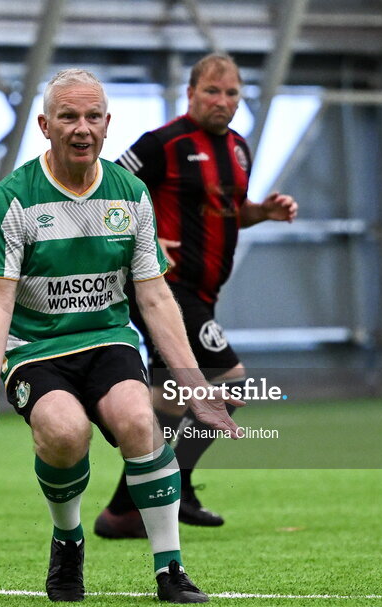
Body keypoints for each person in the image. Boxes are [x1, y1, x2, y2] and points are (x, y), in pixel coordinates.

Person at [0, 68, 242, 604]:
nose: (81, 128)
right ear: (45, 125)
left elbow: (155, 296)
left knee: (140, 419)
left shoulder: (130, 193)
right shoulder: (14, 198)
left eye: (92, 117)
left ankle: (170, 569)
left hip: (108, 340)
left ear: (108, 125)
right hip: (37, 350)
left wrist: (194, 382)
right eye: (68, 117)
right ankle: (68, 540)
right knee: (65, 435)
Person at [95, 53, 297, 537]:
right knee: (231, 381)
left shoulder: (240, 149)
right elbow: (105, 195)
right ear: (190, 93)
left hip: (204, 291)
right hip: (165, 288)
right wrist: (139, 239)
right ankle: (178, 483)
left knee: (170, 397)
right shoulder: (163, 143)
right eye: (212, 91)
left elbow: (228, 209)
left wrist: (260, 213)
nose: (222, 101)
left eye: (232, 93)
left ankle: (123, 512)